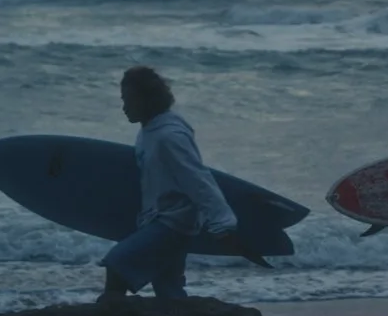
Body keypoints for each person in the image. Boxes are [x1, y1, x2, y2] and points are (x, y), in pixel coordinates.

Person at [96, 65, 265, 303]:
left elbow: (198, 180)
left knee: (117, 263)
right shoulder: (149, 130)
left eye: (129, 100)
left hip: (172, 223)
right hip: (160, 219)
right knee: (169, 291)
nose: (124, 107)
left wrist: (222, 225)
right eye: (123, 100)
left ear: (146, 100)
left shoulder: (169, 136)